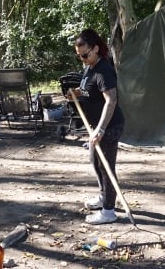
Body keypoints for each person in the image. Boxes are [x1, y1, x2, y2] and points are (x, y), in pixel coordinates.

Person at [70, 28, 125, 225]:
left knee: (106, 166)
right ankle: (103, 197)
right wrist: (75, 93)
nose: (82, 59)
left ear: (95, 49)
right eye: (79, 56)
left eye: (85, 55)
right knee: (95, 160)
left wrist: (101, 129)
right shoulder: (89, 67)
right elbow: (87, 89)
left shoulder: (104, 71)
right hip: (97, 125)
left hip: (110, 126)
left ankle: (109, 211)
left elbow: (111, 101)